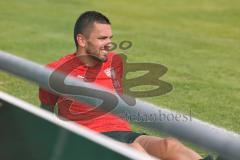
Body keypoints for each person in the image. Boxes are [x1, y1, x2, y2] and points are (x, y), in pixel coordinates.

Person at [39, 11, 207, 160]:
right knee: (135, 151)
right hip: (90, 139)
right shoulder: (56, 71)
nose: (109, 43)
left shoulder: (114, 62)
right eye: (102, 38)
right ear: (82, 40)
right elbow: (45, 110)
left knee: (169, 145)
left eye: (110, 38)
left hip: (122, 132)